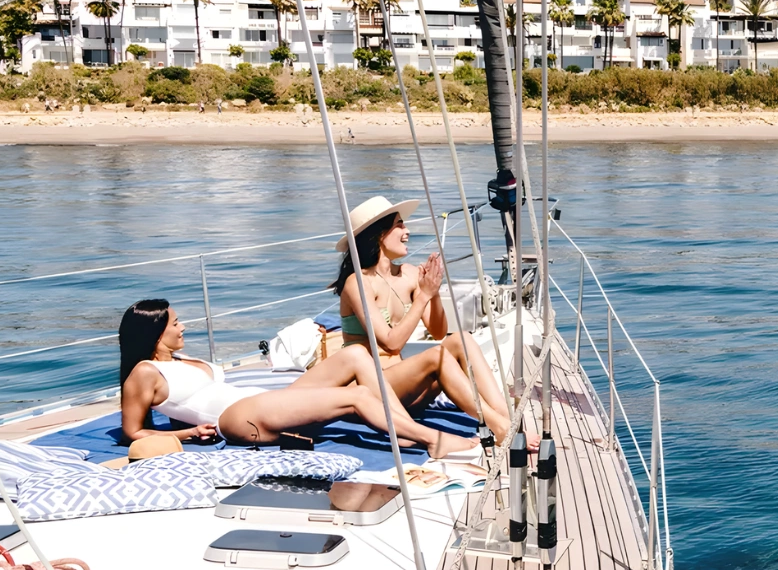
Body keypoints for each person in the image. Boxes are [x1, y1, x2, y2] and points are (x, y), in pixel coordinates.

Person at [117, 299, 473, 461]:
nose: (183, 327)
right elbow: (134, 431)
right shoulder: (145, 373)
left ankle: (403, 429)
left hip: (258, 403)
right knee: (356, 397)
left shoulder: (180, 360)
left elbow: (185, 402)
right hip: (238, 418)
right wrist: (189, 434)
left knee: (354, 356)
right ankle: (432, 440)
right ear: (155, 330)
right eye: (175, 323)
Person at [306, 195, 511, 441]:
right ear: (378, 234)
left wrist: (432, 293)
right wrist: (423, 297)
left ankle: (506, 418)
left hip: (404, 389)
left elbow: (437, 332)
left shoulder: (409, 274)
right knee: (436, 355)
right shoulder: (357, 282)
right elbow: (390, 343)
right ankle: (498, 427)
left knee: (462, 339)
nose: (407, 231)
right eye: (399, 225)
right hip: (370, 388)